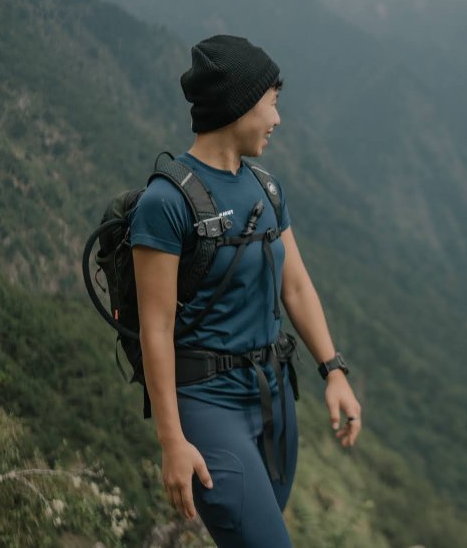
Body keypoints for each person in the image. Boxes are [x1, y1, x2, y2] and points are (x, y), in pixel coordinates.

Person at [129, 35, 362, 547]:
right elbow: (156, 328)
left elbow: (295, 285)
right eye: (271, 105)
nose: (277, 120)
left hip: (274, 401)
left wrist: (334, 370)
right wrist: (171, 441)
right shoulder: (164, 204)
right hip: (208, 410)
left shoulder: (266, 187)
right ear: (238, 105)